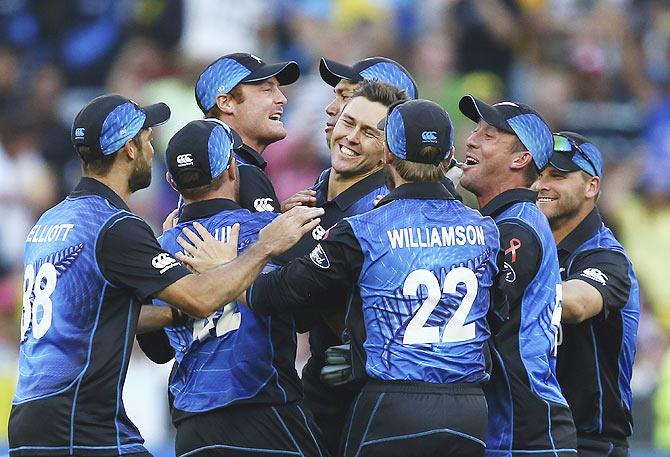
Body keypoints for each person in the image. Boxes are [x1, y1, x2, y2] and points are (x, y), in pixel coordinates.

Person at [8, 94, 323, 457]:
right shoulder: (117, 226)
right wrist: (264, 246)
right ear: (129, 149)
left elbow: (105, 318)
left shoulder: (49, 221)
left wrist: (174, 309)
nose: (150, 145)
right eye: (145, 137)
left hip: (29, 415)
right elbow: (203, 298)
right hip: (82, 422)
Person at [184, 99, 501, 456]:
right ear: (449, 159)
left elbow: (272, 295)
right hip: (471, 410)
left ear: (390, 156)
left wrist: (225, 267)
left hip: (393, 403)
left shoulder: (363, 229)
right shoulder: (486, 229)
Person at [144, 118, 326, 457]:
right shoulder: (274, 231)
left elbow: (157, 350)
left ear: (171, 181)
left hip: (192, 424)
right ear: (232, 169)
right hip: (265, 410)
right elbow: (311, 308)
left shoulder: (156, 249)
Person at [284, 79, 408, 455]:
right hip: (321, 386)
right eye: (348, 122)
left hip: (365, 395)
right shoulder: (316, 192)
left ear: (389, 150)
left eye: (369, 132)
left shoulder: (382, 214)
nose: (351, 137)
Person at [458, 95, 577, 456]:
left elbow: (475, 312)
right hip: (509, 426)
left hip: (525, 433)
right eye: (476, 130)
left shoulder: (516, 229)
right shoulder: (500, 223)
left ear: (520, 159)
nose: (471, 140)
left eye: (489, 135)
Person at [533, 132, 640, 457]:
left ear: (591, 186)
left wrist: (512, 290)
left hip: (590, 442)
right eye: (538, 174)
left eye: (558, 175)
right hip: (532, 436)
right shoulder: (529, 243)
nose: (541, 185)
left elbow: (578, 303)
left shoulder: (606, 256)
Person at [195, 52, 300, 213]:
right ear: (226, 103)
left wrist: (279, 214)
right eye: (267, 90)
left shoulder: (219, 165)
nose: (282, 99)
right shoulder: (233, 172)